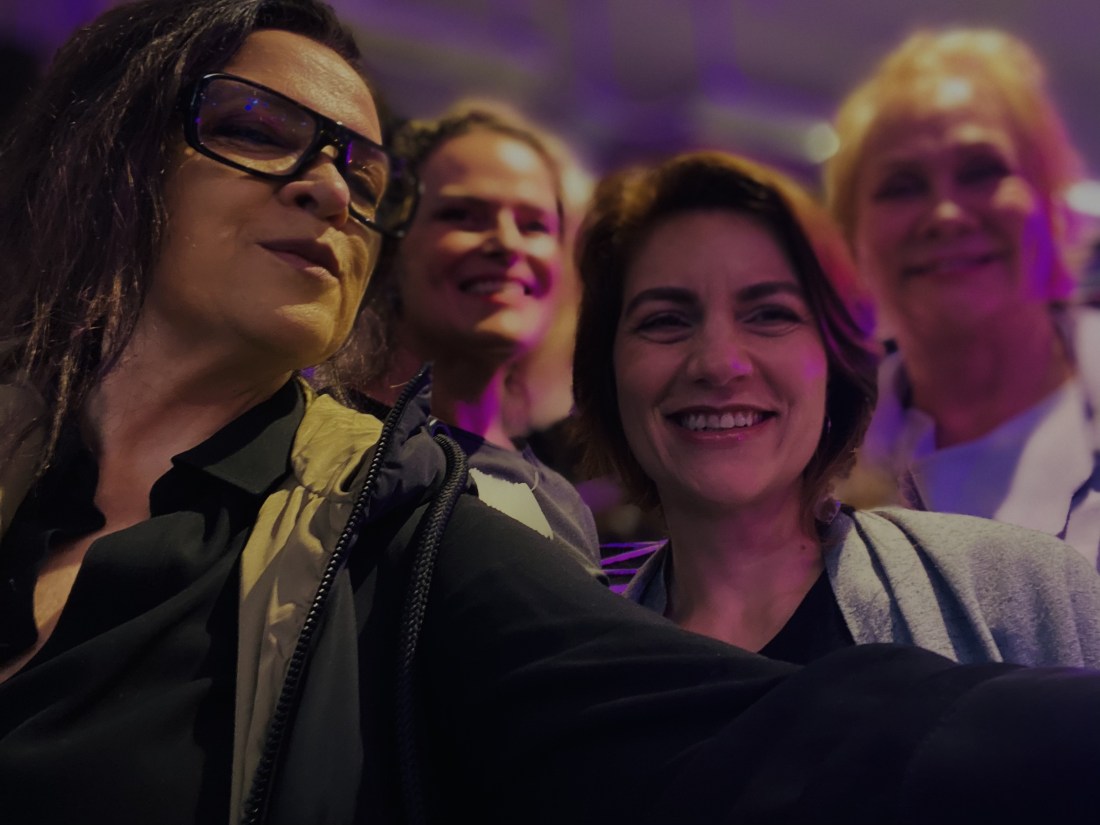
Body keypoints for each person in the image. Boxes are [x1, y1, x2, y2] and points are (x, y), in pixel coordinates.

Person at [6, 3, 1100, 824]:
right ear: (109, 149)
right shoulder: (30, 472)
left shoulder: (410, 525)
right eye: (257, 126)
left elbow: (766, 725)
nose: (331, 188)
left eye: (363, 172)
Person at [570, 148, 1100, 667]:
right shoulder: (586, 682)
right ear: (608, 371)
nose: (719, 362)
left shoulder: (1026, 594)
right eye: (664, 320)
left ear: (835, 361)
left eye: (770, 314)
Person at [824, 28, 1100, 568]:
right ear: (853, 241)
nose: (946, 214)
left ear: (1052, 206)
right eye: (902, 186)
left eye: (981, 171)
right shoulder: (811, 459)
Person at [340, 106, 601, 569]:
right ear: (392, 248)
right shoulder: (324, 451)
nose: (507, 243)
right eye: (463, 215)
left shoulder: (564, 503)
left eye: (534, 225)